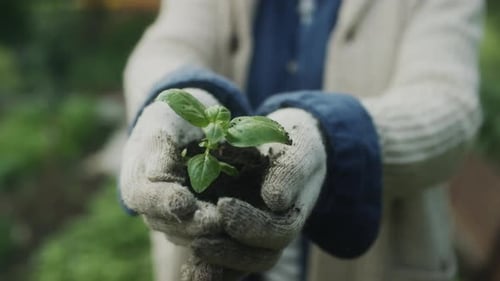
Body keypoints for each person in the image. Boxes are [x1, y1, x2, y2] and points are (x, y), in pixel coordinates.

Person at [119, 0, 484, 280]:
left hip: (377, 259)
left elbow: (446, 101)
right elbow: (168, 43)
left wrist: (330, 134)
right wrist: (175, 95)